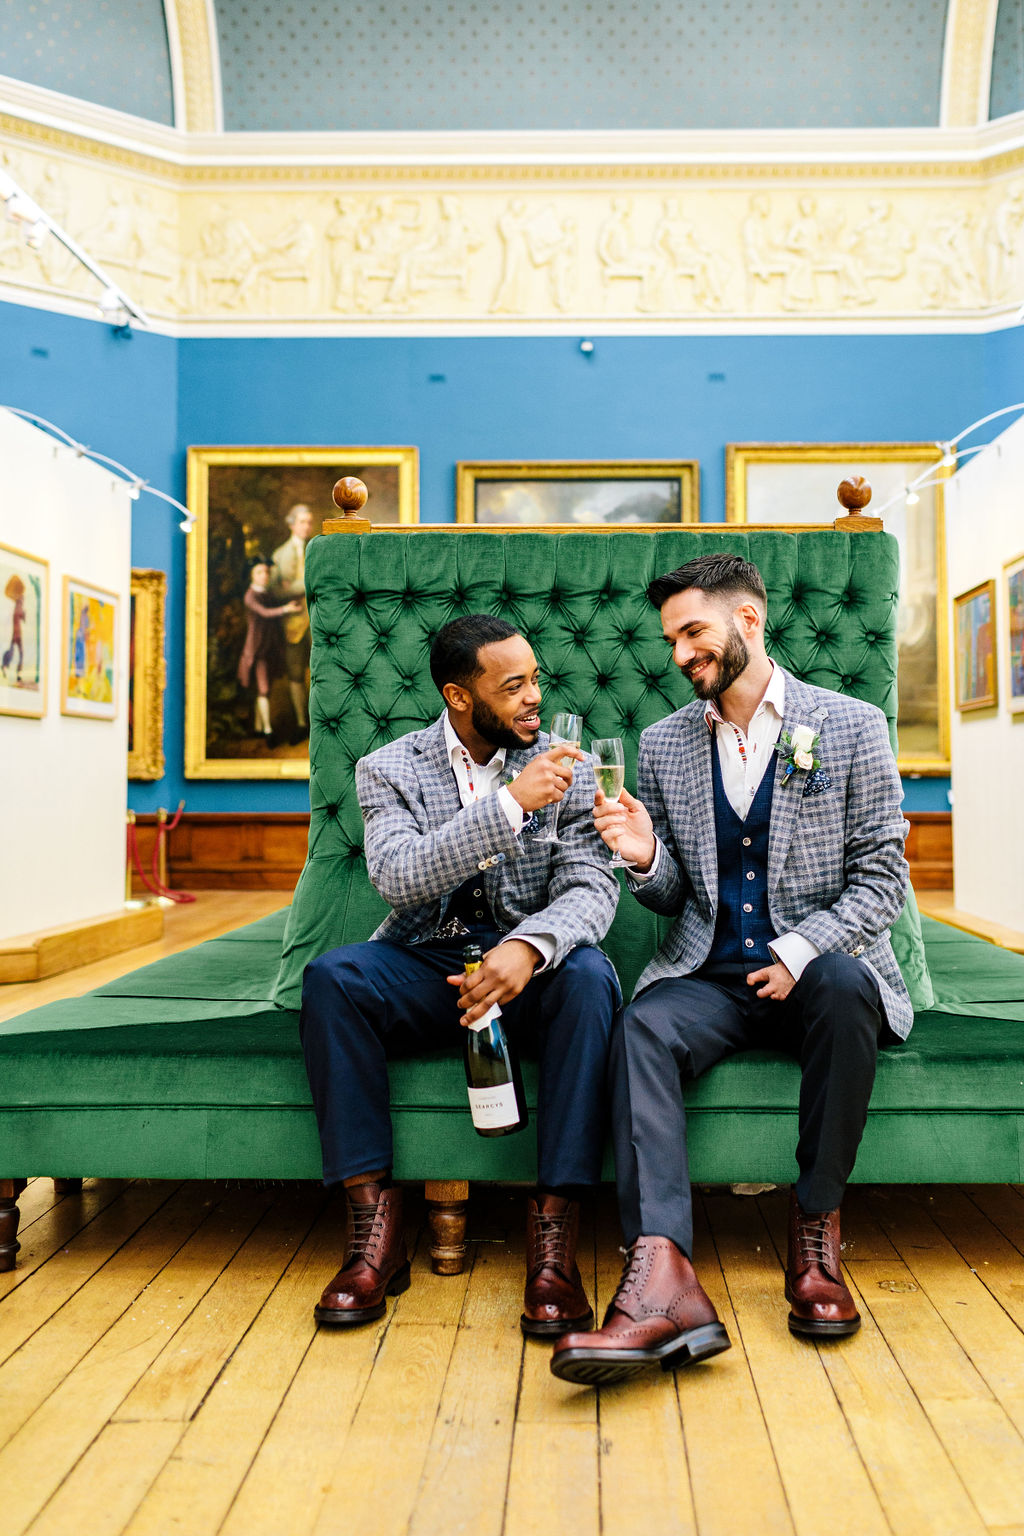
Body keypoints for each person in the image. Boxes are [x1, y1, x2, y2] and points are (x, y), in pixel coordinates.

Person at [551, 553, 911, 1385]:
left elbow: (883, 881)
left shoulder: (851, 725)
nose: (680, 653)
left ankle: (816, 1233)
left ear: (748, 621)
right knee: (640, 1024)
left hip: (819, 968)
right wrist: (645, 859)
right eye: (672, 639)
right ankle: (661, 1276)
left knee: (848, 986)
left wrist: (796, 952)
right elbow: (676, 895)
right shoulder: (666, 743)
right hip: (711, 975)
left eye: (693, 632)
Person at [300, 614, 621, 1334]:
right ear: (458, 695)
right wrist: (509, 805)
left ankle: (553, 1245)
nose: (534, 697)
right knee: (332, 980)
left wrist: (530, 948)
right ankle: (373, 1235)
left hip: (528, 963)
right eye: (513, 687)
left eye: (536, 679)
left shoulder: (568, 763)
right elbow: (398, 877)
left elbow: (592, 889)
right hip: (429, 957)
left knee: (592, 980)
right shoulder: (390, 768)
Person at [236, 558, 303, 743]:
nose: (264, 576)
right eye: (259, 572)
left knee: (265, 688)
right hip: (257, 649)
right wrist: (286, 609)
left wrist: (287, 590)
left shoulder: (267, 593)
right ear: (251, 575)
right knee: (263, 689)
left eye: (266, 572)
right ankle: (267, 731)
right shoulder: (251, 596)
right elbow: (265, 612)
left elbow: (276, 600)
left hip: (270, 646)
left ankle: (258, 727)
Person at [271, 503, 315, 741]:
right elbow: (276, 590)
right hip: (293, 623)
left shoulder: (317, 551)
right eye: (302, 522)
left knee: (319, 672)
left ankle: (319, 723)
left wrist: (296, 586)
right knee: (295, 673)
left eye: (309, 522)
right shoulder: (280, 555)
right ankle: (301, 724)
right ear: (291, 524)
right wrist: (306, 584)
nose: (306, 526)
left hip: (317, 622)